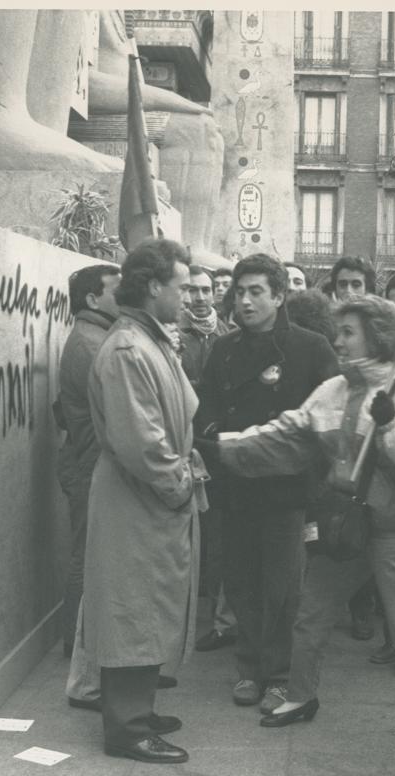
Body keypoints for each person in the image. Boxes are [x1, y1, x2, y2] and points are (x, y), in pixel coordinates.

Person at [202, 296, 395, 763]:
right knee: (310, 613)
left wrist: (392, 427)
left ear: (378, 336)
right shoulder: (331, 390)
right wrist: (221, 447)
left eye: (348, 331)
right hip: (345, 526)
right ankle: (301, 695)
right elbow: (284, 435)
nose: (337, 340)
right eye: (338, 331)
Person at [196, 254, 338, 713]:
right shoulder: (224, 349)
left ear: (279, 296)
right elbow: (207, 410)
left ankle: (279, 674)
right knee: (239, 580)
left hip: (286, 488)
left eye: (257, 291)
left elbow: (332, 412)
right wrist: (218, 439)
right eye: (240, 292)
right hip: (236, 485)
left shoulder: (311, 347)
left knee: (282, 586)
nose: (246, 300)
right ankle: (248, 667)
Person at [85, 238, 204, 764]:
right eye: (181, 286)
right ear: (154, 287)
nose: (188, 297)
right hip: (139, 499)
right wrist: (180, 484)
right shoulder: (132, 349)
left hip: (152, 498)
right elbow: (141, 442)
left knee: (149, 606)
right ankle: (128, 728)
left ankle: (139, 710)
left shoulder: (150, 340)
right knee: (132, 608)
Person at [55, 263, 121, 713]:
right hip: (90, 467)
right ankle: (81, 661)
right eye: (118, 289)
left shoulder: (96, 336)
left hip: (88, 464)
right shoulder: (91, 343)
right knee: (86, 559)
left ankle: (80, 653)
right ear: (93, 299)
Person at [179, 266, 238, 653]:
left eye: (206, 290)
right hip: (184, 444)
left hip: (217, 448)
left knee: (220, 538)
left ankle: (221, 618)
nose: (200, 297)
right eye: (192, 290)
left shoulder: (229, 337)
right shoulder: (172, 336)